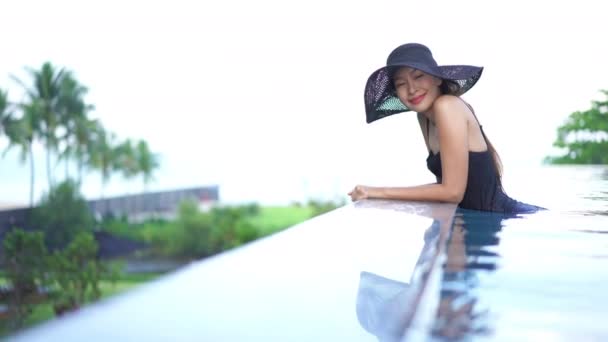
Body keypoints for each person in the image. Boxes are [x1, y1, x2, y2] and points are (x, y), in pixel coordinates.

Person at [348, 43, 543, 214]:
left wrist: (375, 192)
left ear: (437, 79)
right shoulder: (423, 118)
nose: (412, 88)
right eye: (401, 83)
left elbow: (452, 192)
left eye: (419, 76)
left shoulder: (447, 106)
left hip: (506, 216)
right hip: (478, 221)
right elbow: (445, 189)